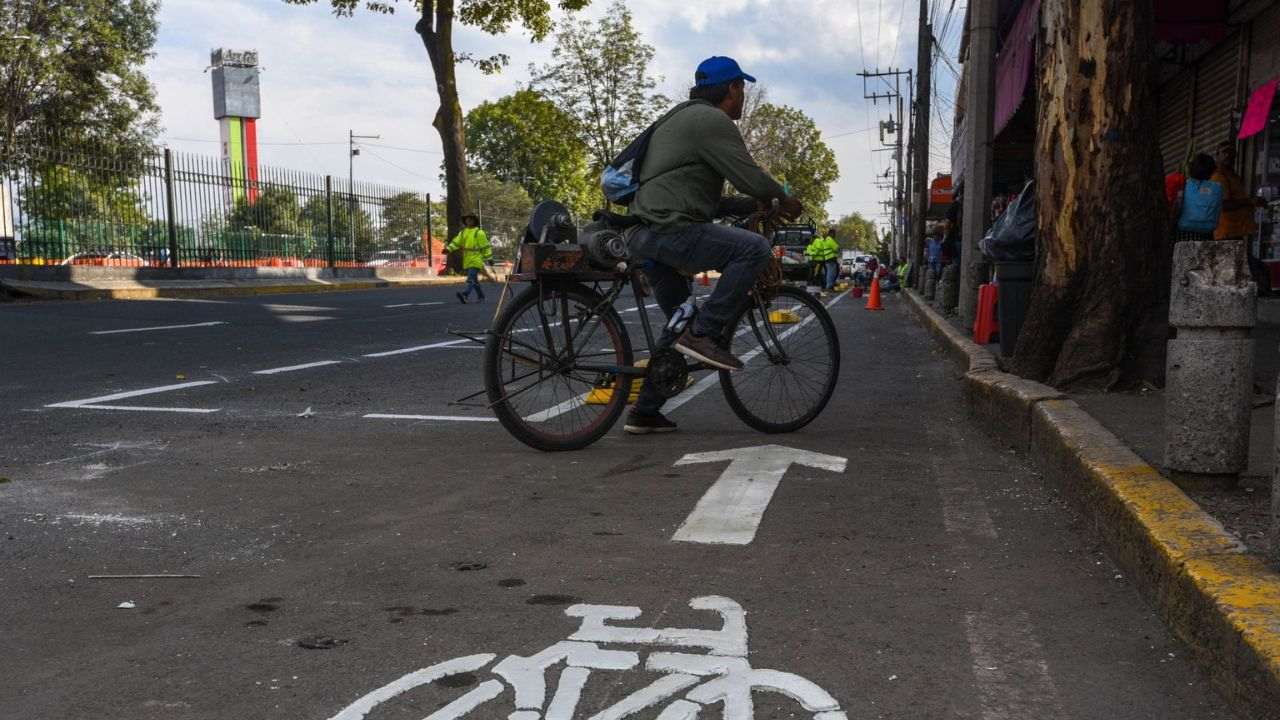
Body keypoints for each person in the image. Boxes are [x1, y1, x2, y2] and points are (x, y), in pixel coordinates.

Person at [624, 55, 802, 435]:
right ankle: (705, 336)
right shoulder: (711, 120)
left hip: (646, 233)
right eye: (742, 89)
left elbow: (699, 198)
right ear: (731, 88)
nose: (743, 98)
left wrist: (747, 205)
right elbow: (752, 177)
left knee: (679, 322)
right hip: (670, 230)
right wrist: (783, 198)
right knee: (752, 249)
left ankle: (645, 410)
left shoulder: (680, 117)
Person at [1213, 141, 1271, 294]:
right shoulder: (1219, 176)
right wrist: (1250, 201)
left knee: (1239, 266)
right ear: (1217, 155)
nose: (1229, 155)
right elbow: (1224, 205)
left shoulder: (1233, 176)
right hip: (1226, 231)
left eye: (1232, 152)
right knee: (1238, 267)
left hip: (1237, 230)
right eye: (1224, 152)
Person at [1175, 153, 1223, 243]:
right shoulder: (1218, 188)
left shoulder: (1183, 185)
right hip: (1207, 234)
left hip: (1184, 233)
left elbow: (1177, 206)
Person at [447, 214, 492, 303]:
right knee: (474, 280)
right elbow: (456, 242)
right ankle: (481, 297)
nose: (469, 221)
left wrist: (489, 258)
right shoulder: (463, 232)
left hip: (477, 258)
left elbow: (485, 246)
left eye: (471, 220)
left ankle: (465, 294)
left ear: (474, 221)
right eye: (467, 220)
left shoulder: (479, 232)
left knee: (471, 278)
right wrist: (448, 249)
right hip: (467, 258)